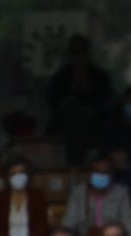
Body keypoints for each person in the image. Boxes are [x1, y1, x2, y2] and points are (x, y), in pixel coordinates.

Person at [46, 34, 113, 167]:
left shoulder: (99, 76)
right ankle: (75, 166)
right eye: (74, 52)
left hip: (94, 122)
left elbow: (105, 100)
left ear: (87, 53)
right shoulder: (61, 76)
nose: (78, 56)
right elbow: (53, 100)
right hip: (66, 124)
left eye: (82, 51)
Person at [62, 153, 131, 236]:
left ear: (111, 175)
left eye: (105, 172)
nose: (101, 175)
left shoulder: (121, 193)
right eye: (97, 172)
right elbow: (68, 224)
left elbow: (129, 225)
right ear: (90, 173)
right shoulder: (78, 194)